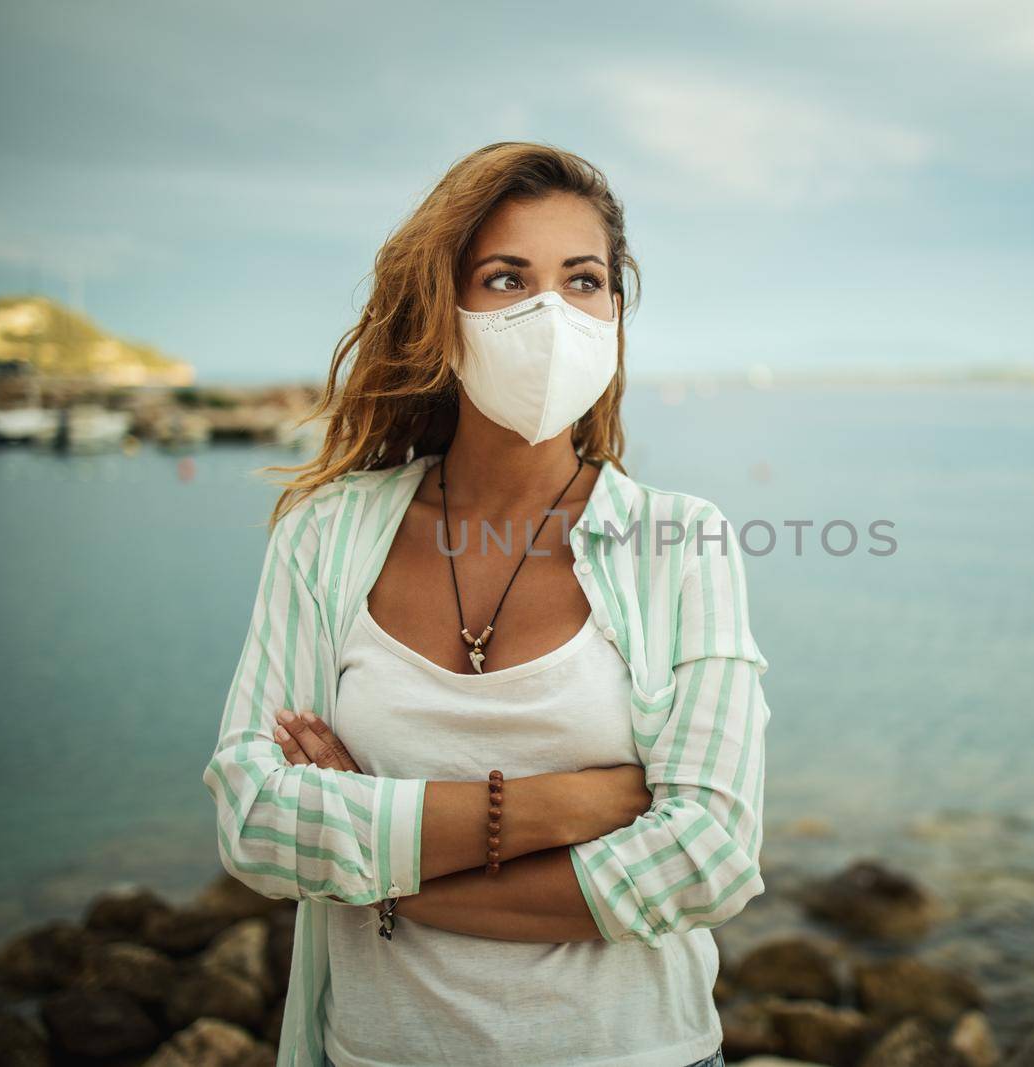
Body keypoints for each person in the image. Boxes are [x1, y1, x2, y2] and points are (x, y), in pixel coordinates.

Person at [202, 141, 771, 1067]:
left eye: (583, 280)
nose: (551, 312)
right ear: (442, 307)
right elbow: (257, 820)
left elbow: (705, 857)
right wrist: (566, 806)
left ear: (616, 312)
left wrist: (375, 877)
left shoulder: (678, 541)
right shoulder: (327, 535)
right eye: (506, 279)